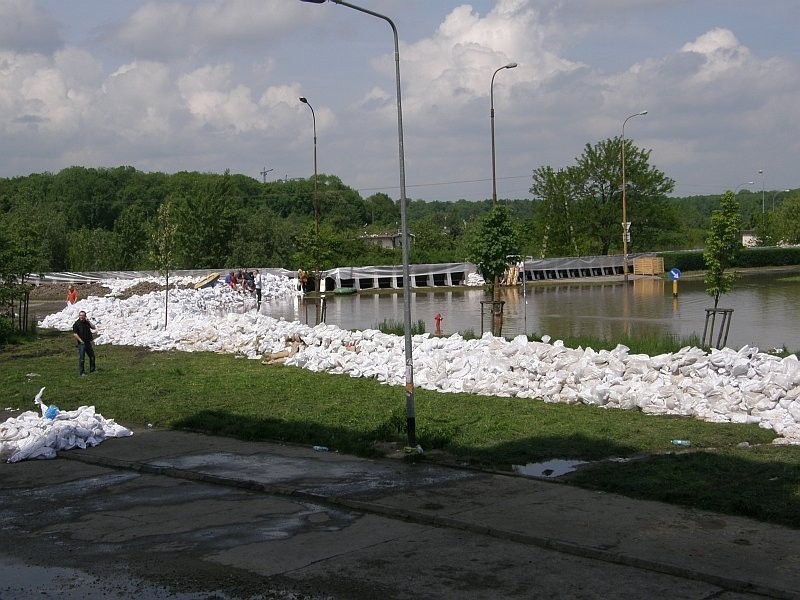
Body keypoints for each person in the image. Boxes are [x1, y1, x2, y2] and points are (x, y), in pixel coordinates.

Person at [72, 310, 96, 376]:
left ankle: (92, 370)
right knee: (82, 358)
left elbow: (93, 327)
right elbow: (75, 333)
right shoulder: (76, 324)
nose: (81, 317)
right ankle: (82, 372)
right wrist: (80, 340)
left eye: (83, 315)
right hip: (81, 343)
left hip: (88, 342)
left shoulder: (86, 323)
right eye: (80, 315)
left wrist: (89, 321)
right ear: (79, 316)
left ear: (85, 316)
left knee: (92, 356)